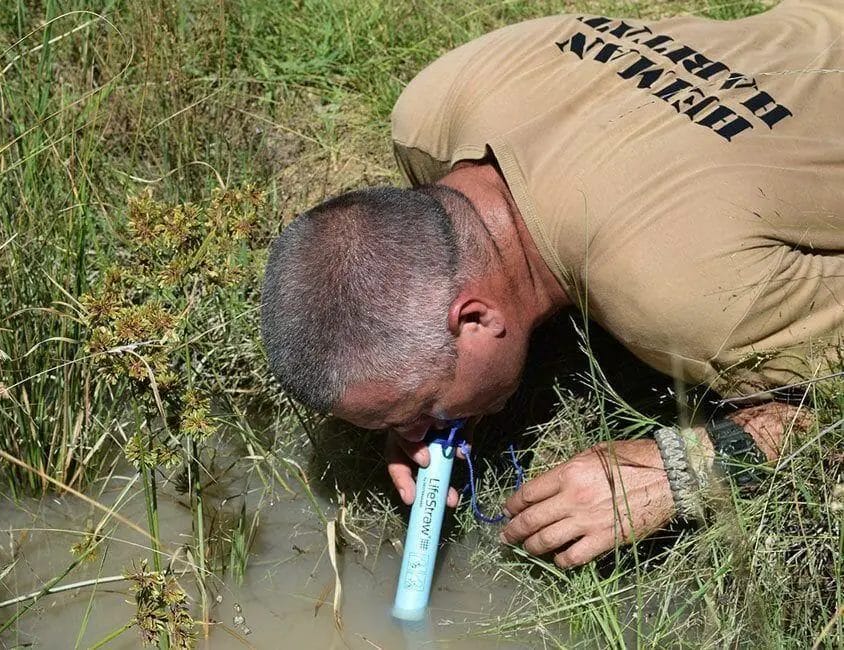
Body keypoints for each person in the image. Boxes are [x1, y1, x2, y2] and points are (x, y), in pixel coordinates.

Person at [259, 0, 844, 568]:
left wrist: (673, 473)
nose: (417, 435)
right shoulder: (432, 111)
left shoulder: (682, 302)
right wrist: (434, 404)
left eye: (418, 411)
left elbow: (831, 404)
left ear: (476, 320)